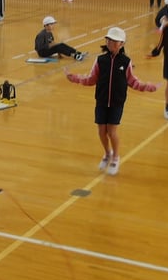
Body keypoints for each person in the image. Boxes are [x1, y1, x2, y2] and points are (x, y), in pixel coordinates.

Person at [65, 27, 157, 176]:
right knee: (102, 131)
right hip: (101, 101)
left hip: (116, 102)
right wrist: (75, 78)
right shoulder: (100, 60)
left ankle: (116, 157)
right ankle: (107, 153)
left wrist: (146, 87)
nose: (110, 43)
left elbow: (132, 81)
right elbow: (91, 79)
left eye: (114, 41)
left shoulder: (126, 62)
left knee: (112, 131)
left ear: (121, 44)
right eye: (108, 40)